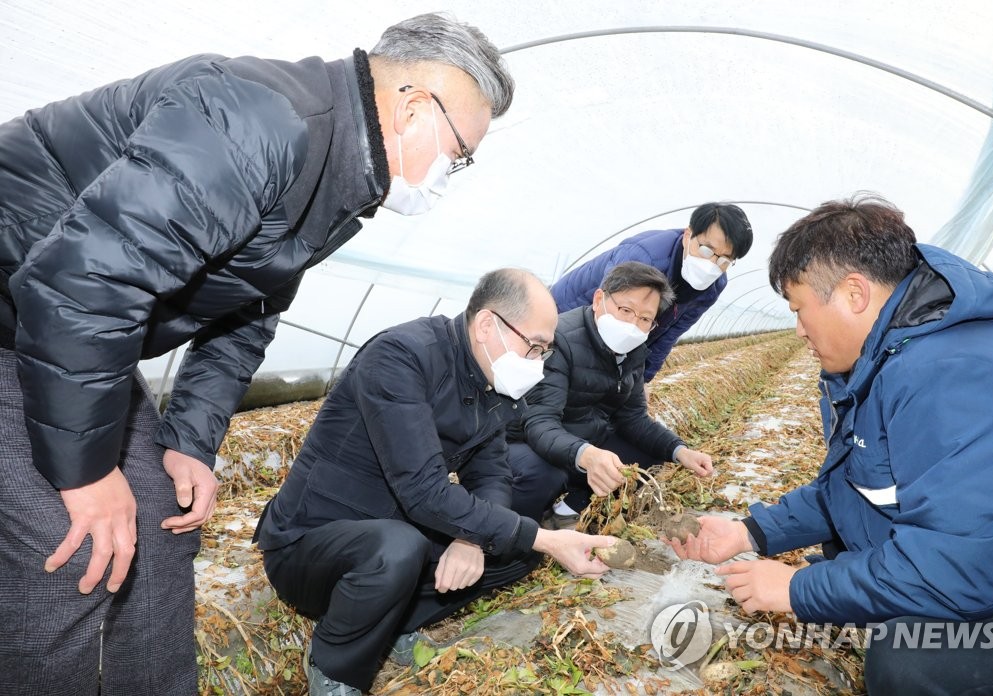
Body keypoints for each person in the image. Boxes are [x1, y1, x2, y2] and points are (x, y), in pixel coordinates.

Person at [0, 12, 514, 694]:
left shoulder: (336, 176)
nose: (453, 172)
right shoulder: (256, 121)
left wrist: (188, 440)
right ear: (414, 105)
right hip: (29, 312)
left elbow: (246, 315)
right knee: (71, 544)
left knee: (163, 523)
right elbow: (82, 281)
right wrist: (86, 474)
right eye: (460, 152)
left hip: (67, 328)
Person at [670, 194, 993, 695]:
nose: (798, 330)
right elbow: (855, 486)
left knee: (909, 657)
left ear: (854, 293)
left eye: (800, 309)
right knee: (842, 562)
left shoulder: (959, 376)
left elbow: (957, 572)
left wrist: (797, 589)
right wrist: (750, 534)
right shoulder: (886, 360)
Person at [255, 268, 615, 696]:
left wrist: (473, 539)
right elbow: (423, 490)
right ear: (487, 325)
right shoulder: (400, 357)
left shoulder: (493, 382)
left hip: (399, 526)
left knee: (517, 553)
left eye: (545, 351)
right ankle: (333, 667)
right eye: (534, 346)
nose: (537, 362)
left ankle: (393, 627)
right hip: (313, 543)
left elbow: (492, 473)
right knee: (400, 548)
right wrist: (549, 539)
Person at [508, 261, 714, 529]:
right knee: (542, 473)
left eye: (645, 319)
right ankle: (520, 535)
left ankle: (566, 511)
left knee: (647, 453)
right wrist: (586, 454)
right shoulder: (561, 340)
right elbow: (539, 423)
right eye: (626, 310)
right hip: (531, 440)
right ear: (599, 299)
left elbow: (634, 418)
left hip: (584, 436)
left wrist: (679, 450)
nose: (632, 324)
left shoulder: (635, 351)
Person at [550, 203, 754, 384]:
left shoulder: (713, 286)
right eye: (707, 250)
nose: (711, 265)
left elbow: (669, 334)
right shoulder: (644, 258)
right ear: (688, 236)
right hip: (565, 313)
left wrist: (641, 381)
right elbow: (604, 320)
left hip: (607, 323)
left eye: (724, 260)